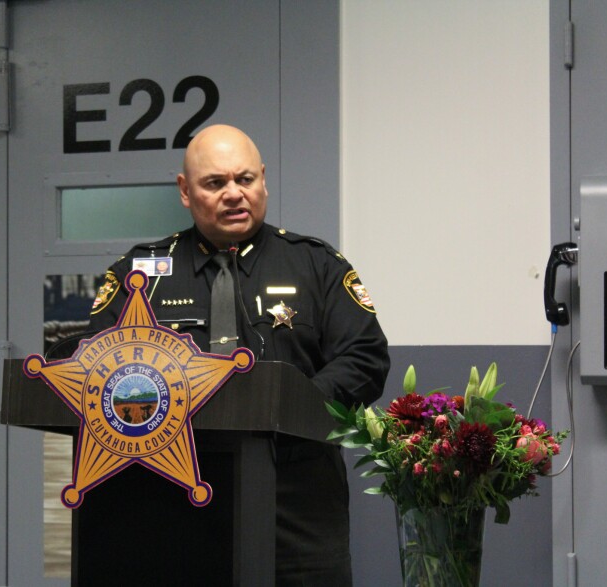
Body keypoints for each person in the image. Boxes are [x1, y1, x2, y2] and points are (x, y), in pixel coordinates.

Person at [89, 124, 390, 585]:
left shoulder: (317, 265)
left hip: (296, 498)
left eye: (245, 179)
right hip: (170, 500)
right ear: (185, 192)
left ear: (263, 179)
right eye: (215, 183)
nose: (234, 194)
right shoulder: (141, 274)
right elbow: (93, 365)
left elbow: (365, 357)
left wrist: (285, 406)